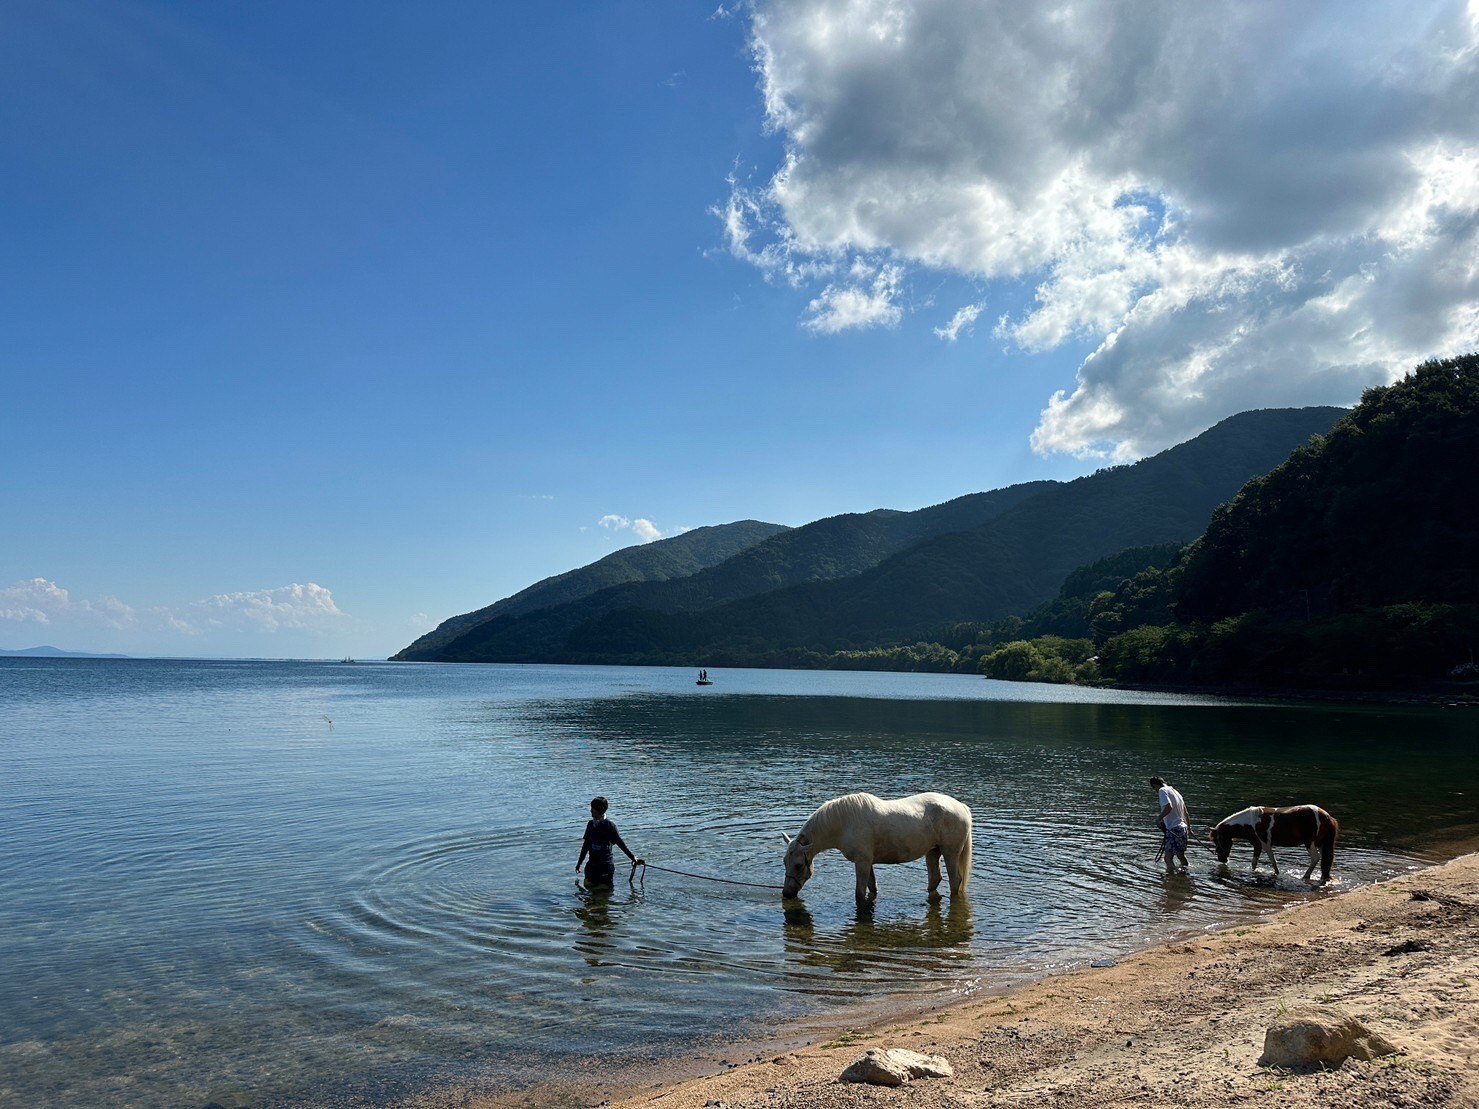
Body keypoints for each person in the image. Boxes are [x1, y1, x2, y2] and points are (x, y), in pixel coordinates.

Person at [576, 796, 642, 886]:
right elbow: (585, 845)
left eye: (593, 809)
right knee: (588, 890)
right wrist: (579, 863)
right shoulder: (590, 824)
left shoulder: (610, 826)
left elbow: (621, 844)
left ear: (599, 810)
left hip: (605, 867)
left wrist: (633, 858)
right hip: (591, 866)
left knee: (605, 892)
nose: (590, 810)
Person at [1150, 776, 1190, 873]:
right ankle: (1186, 874)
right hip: (1183, 828)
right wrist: (1189, 829)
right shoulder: (1176, 792)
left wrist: (1158, 819)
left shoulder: (1162, 791)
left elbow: (1169, 807)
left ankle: (1171, 878)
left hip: (1174, 829)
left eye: (1154, 788)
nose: (1155, 791)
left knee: (1168, 858)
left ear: (1155, 785)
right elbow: (1186, 813)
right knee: (1181, 856)